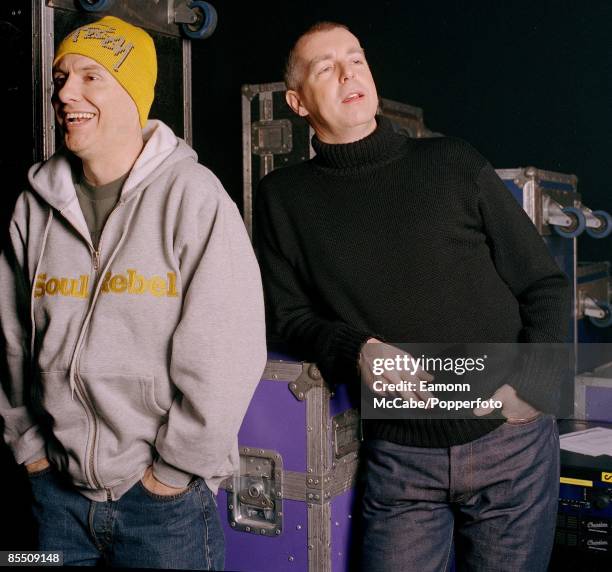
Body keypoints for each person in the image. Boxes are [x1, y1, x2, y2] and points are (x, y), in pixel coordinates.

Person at [254, 21, 570, 571]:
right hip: (400, 460)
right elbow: (287, 318)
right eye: (325, 67)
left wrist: (535, 387)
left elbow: (543, 283)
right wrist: (356, 349)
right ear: (297, 101)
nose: (349, 72)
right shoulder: (283, 198)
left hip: (509, 445)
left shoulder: (452, 162)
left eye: (356, 58)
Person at [0, 16, 266, 569]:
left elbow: (226, 354)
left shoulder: (194, 197)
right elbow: (11, 339)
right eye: (60, 77)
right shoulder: (34, 204)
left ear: (132, 93)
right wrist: (29, 450)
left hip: (161, 510)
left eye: (90, 77)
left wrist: (168, 476)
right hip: (56, 500)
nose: (66, 93)